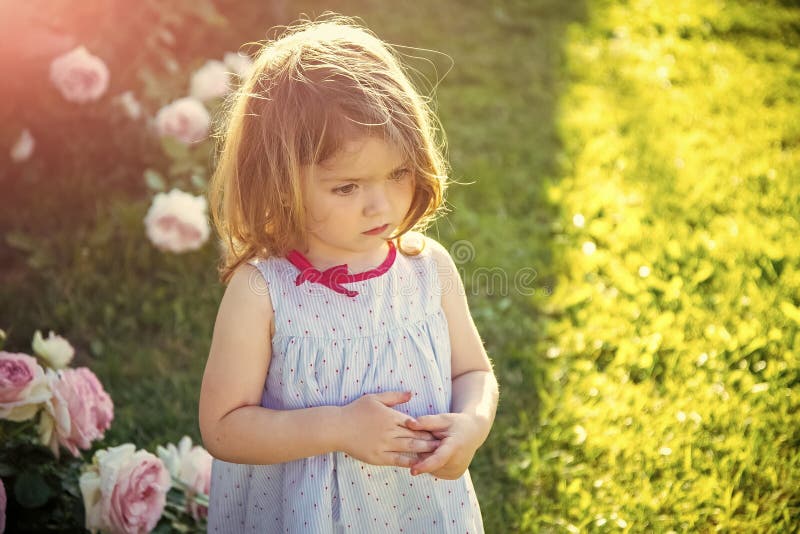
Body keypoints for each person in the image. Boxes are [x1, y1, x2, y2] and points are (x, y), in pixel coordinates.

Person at [199, 14, 499, 533]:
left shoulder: (428, 267)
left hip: (416, 510)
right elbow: (224, 429)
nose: (379, 205)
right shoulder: (262, 292)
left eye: (398, 173)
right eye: (346, 187)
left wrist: (470, 423)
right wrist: (337, 427)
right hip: (304, 515)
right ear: (278, 183)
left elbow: (473, 373)